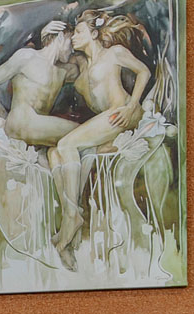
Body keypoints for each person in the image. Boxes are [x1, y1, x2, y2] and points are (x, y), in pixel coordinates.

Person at [48, 9, 152, 266]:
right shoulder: (81, 66)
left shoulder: (113, 53)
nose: (73, 37)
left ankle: (72, 217)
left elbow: (144, 72)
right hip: (108, 122)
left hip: (122, 114)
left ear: (94, 33)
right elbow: (52, 63)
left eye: (79, 32)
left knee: (66, 144)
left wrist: (131, 106)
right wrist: (45, 36)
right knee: (54, 153)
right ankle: (71, 217)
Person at [0, 21, 81, 147]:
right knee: (81, 133)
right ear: (60, 37)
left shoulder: (65, 71)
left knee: (80, 139)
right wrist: (5, 116)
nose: (72, 50)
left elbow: (88, 68)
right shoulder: (28, 56)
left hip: (39, 126)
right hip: (21, 123)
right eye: (70, 44)